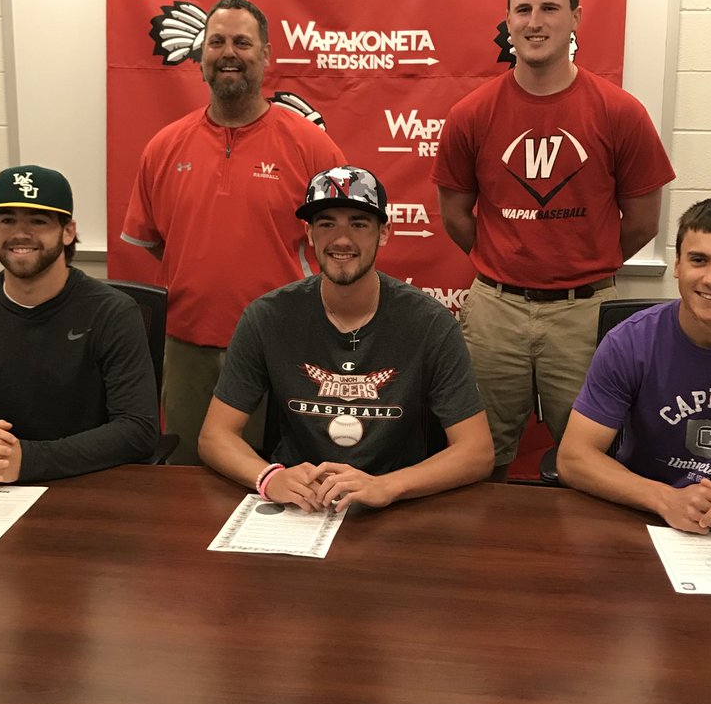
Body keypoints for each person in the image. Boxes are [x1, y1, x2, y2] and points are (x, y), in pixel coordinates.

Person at [433, 0, 675, 481]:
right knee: (477, 459)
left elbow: (643, 219)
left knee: (593, 464)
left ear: (576, 18)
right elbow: (455, 213)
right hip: (494, 310)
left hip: (585, 314)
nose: (535, 21)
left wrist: (583, 259)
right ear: (508, 21)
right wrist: (505, 258)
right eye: (523, 9)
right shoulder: (471, 113)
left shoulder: (619, 111)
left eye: (549, 8)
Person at [121, 0, 344, 464]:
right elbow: (161, 243)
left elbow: (342, 247)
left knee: (281, 479)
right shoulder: (163, 147)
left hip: (284, 346)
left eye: (243, 42)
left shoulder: (312, 146)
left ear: (266, 56)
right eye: (216, 41)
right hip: (186, 349)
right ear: (200, 56)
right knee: (186, 482)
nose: (228, 52)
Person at [198, 165, 494, 511]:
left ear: (383, 232)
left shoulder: (429, 323)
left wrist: (388, 486)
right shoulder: (268, 317)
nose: (341, 239)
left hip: (396, 505)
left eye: (358, 223)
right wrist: (269, 476)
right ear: (309, 234)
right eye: (327, 224)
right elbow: (214, 436)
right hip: (299, 508)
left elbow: (477, 452)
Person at [0, 165, 159, 483]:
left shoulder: (112, 312)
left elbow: (138, 429)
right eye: (7, 220)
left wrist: (28, 460)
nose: (20, 234)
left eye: (38, 221)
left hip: (89, 482)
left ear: (68, 231)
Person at [557, 197, 711, 541]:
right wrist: (665, 498)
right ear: (678, 265)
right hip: (645, 517)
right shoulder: (630, 341)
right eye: (699, 260)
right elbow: (573, 458)